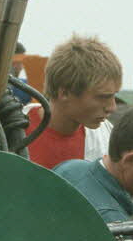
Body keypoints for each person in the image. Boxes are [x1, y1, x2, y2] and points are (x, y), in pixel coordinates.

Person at [26, 35, 121, 169]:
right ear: (64, 93)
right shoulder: (0, 132)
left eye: (113, 96)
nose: (112, 107)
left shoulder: (106, 137)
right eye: (102, 97)